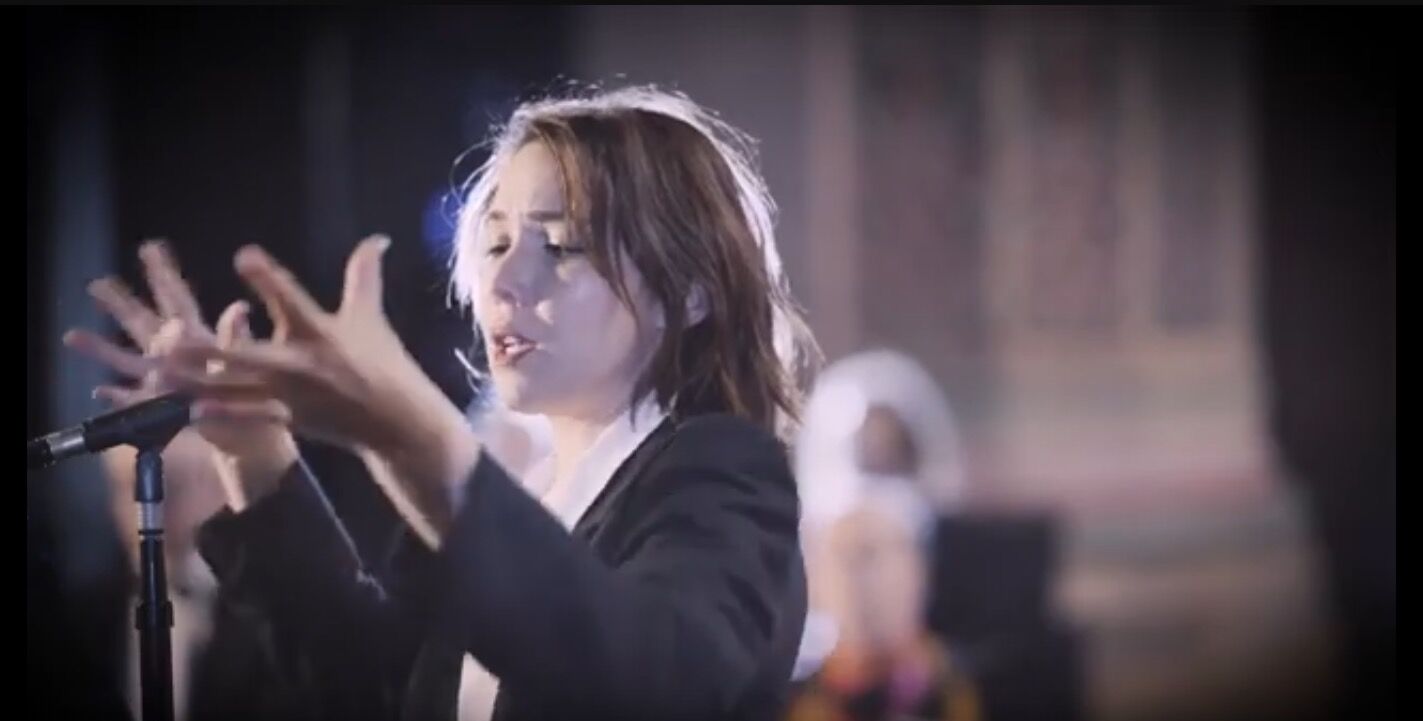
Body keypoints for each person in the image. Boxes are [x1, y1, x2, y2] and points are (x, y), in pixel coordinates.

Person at [65, 84, 820, 721]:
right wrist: (255, 451)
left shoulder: (722, 470)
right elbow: (375, 687)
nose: (504, 282)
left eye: (559, 245)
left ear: (692, 291)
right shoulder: (513, 488)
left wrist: (410, 435)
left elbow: (642, 683)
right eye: (494, 243)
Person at [785, 350, 980, 721]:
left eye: (877, 553)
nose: (862, 581)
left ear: (922, 566)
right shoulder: (772, 701)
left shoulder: (972, 695)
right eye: (846, 554)